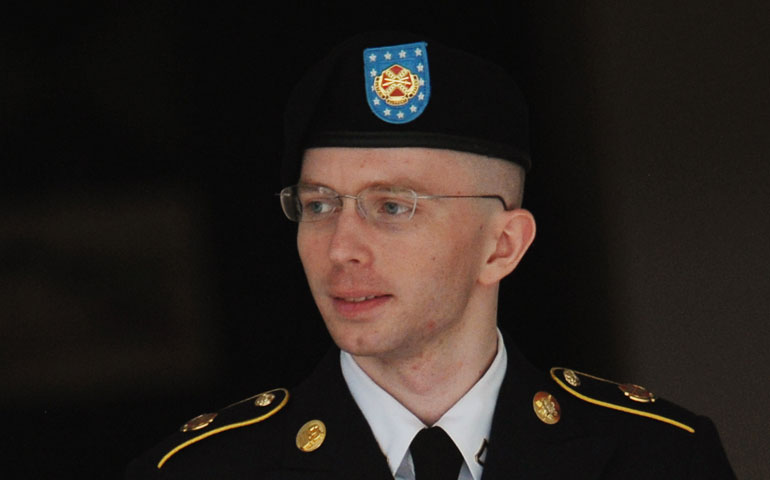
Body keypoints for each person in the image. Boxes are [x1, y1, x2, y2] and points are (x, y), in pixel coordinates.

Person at [127, 31, 735, 479]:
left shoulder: (661, 458)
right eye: (318, 205)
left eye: (392, 206)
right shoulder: (198, 471)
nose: (340, 248)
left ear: (502, 246)